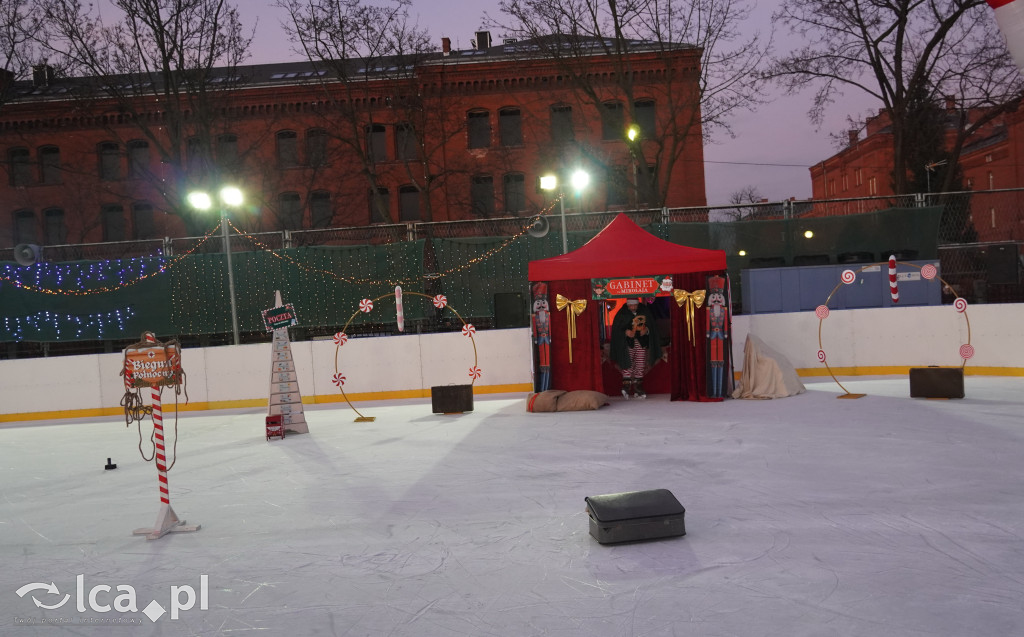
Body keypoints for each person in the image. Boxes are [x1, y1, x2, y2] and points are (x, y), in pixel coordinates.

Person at [610, 298, 661, 399]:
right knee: (628, 362)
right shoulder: (622, 313)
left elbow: (651, 325)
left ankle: (638, 387)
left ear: (638, 304)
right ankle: (626, 386)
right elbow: (617, 329)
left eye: (635, 305)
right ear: (627, 305)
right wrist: (626, 332)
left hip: (641, 342)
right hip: (627, 343)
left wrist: (646, 330)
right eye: (631, 306)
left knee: (640, 363)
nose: (633, 308)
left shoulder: (644, 311)